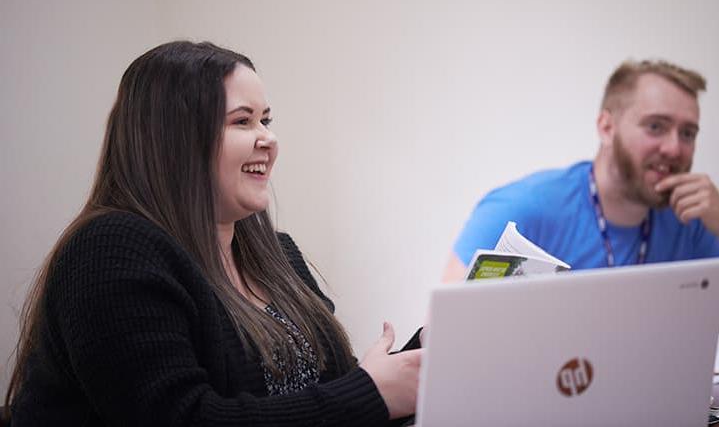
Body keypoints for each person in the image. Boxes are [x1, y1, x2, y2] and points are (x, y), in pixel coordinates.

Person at [4, 41, 421, 426]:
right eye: (243, 121)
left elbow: (336, 397)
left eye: (266, 119)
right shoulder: (109, 251)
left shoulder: (275, 253)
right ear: (174, 139)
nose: (268, 139)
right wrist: (371, 394)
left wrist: (419, 359)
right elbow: (183, 419)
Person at [443, 59, 719, 333]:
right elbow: (444, 336)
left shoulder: (692, 217)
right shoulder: (523, 208)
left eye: (688, 133)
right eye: (656, 126)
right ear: (606, 127)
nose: (674, 148)